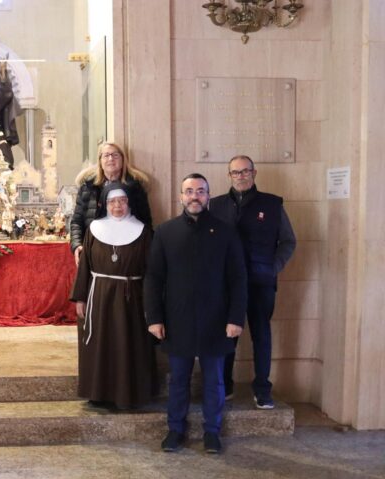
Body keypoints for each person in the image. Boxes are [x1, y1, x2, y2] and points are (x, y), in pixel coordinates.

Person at [144, 173, 247, 454]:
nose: (194, 196)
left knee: (214, 380)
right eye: (189, 191)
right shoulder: (166, 232)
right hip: (177, 320)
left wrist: (236, 319)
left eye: (200, 191)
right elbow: (153, 277)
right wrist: (154, 318)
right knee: (178, 380)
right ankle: (175, 430)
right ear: (180, 197)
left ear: (208, 196)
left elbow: (238, 278)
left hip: (217, 320)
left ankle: (212, 432)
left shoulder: (226, 231)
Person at [209, 155, 296, 409]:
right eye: (236, 172)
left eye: (246, 171)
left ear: (254, 173)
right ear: (229, 176)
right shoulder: (215, 206)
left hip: (260, 282)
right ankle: (224, 384)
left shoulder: (272, 204)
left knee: (261, 334)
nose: (241, 176)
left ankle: (262, 389)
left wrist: (274, 267)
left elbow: (289, 241)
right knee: (226, 336)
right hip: (225, 285)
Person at [70, 182, 157, 410]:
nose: (117, 206)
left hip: (133, 298)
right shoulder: (94, 230)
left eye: (122, 201)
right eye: (112, 201)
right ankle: (98, 392)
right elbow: (85, 267)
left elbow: (152, 272)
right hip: (99, 296)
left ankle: (130, 394)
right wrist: (80, 297)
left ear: (129, 203)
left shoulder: (143, 232)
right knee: (101, 345)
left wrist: (151, 304)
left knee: (129, 345)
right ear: (104, 204)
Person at [70, 141, 153, 266]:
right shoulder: (88, 187)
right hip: (95, 249)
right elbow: (77, 221)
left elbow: (145, 221)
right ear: (100, 161)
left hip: (127, 250)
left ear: (123, 159)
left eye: (115, 155)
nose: (110, 159)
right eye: (106, 155)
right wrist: (77, 245)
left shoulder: (135, 186)